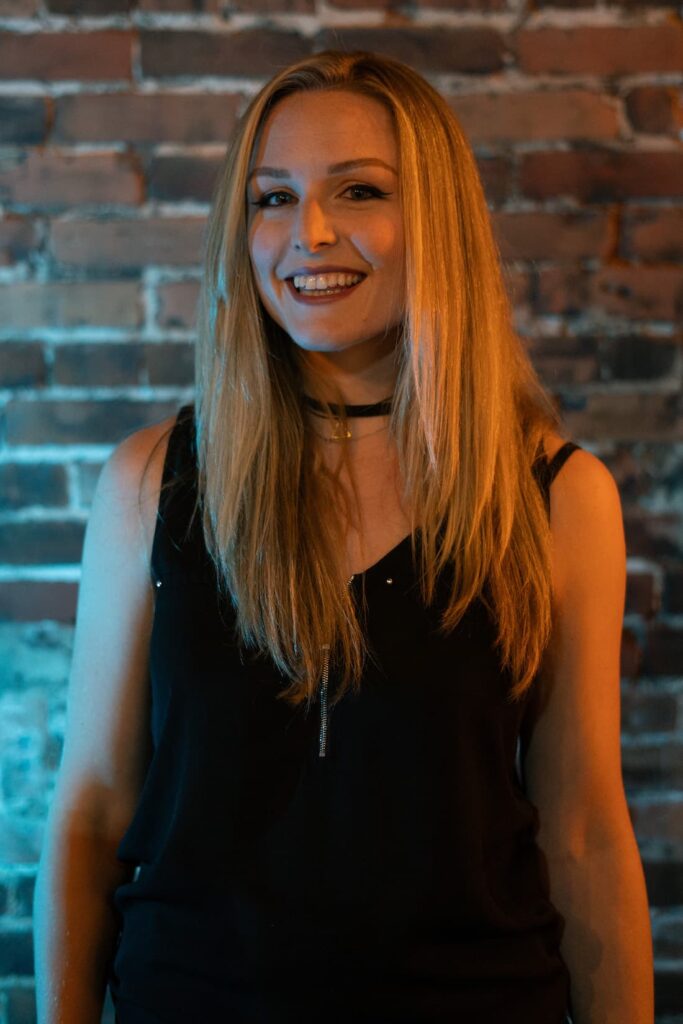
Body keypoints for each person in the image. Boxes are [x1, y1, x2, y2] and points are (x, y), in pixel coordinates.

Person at [33, 49, 653, 1024]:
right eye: (271, 198)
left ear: (436, 221)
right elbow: (94, 810)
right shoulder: (152, 483)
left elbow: (579, 831)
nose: (306, 234)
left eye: (358, 190)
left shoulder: (555, 495)